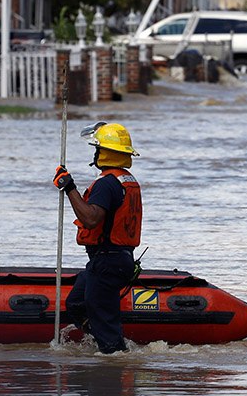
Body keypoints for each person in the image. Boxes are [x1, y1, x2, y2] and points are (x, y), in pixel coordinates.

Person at [52, 121, 143, 354]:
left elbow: (91, 219)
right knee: (76, 304)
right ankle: (105, 344)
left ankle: (114, 355)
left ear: (105, 152)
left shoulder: (106, 184)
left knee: (105, 324)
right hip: (115, 259)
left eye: (97, 148)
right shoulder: (126, 180)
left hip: (108, 260)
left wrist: (68, 186)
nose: (95, 152)